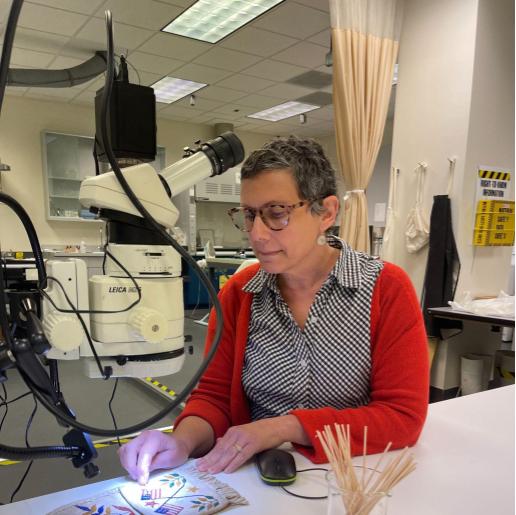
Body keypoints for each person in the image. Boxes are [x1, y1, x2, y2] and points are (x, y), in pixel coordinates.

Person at [119, 136, 429, 485]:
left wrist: (285, 426)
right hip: (258, 481)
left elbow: (402, 417)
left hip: (358, 475)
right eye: (249, 215)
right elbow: (214, 398)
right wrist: (180, 441)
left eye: (276, 213)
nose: (257, 234)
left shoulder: (385, 289)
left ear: (326, 213)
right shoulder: (240, 294)